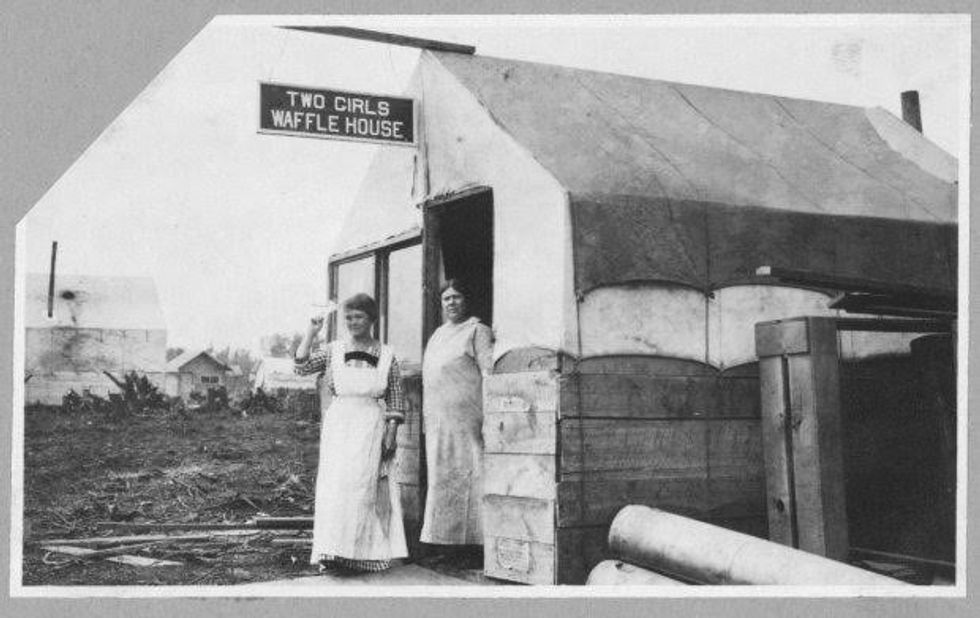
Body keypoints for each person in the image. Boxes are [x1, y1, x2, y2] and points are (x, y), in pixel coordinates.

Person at [294, 293, 408, 572]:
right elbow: (302, 367)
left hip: (370, 425)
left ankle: (362, 555)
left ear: (371, 319)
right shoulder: (334, 350)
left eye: (358, 316)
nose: (352, 322)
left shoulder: (387, 355)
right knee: (335, 488)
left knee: (363, 487)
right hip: (339, 425)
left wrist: (391, 433)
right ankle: (332, 553)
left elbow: (395, 398)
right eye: (348, 317)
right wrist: (311, 331)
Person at [420, 279, 494, 563]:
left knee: (472, 478)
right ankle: (446, 546)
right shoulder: (438, 334)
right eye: (446, 298)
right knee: (443, 481)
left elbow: (489, 375)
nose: (451, 303)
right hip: (440, 422)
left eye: (457, 297)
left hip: (468, 422)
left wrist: (489, 419)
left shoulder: (477, 330)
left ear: (467, 301)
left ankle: (474, 548)